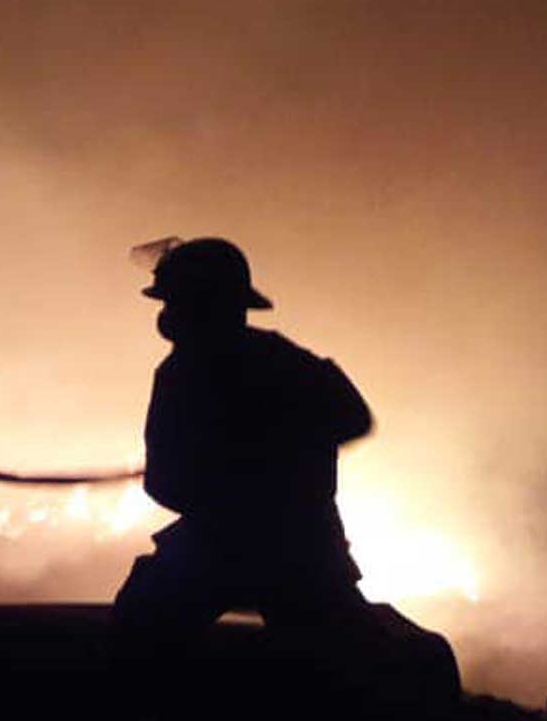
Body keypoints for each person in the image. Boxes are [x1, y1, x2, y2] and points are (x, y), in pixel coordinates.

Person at [113, 237, 375, 663]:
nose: (167, 315)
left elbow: (166, 485)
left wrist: (230, 475)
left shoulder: (181, 375)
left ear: (198, 307)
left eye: (174, 303)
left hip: (220, 548)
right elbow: (355, 418)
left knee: (139, 625)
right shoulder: (287, 359)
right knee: (342, 656)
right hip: (306, 548)